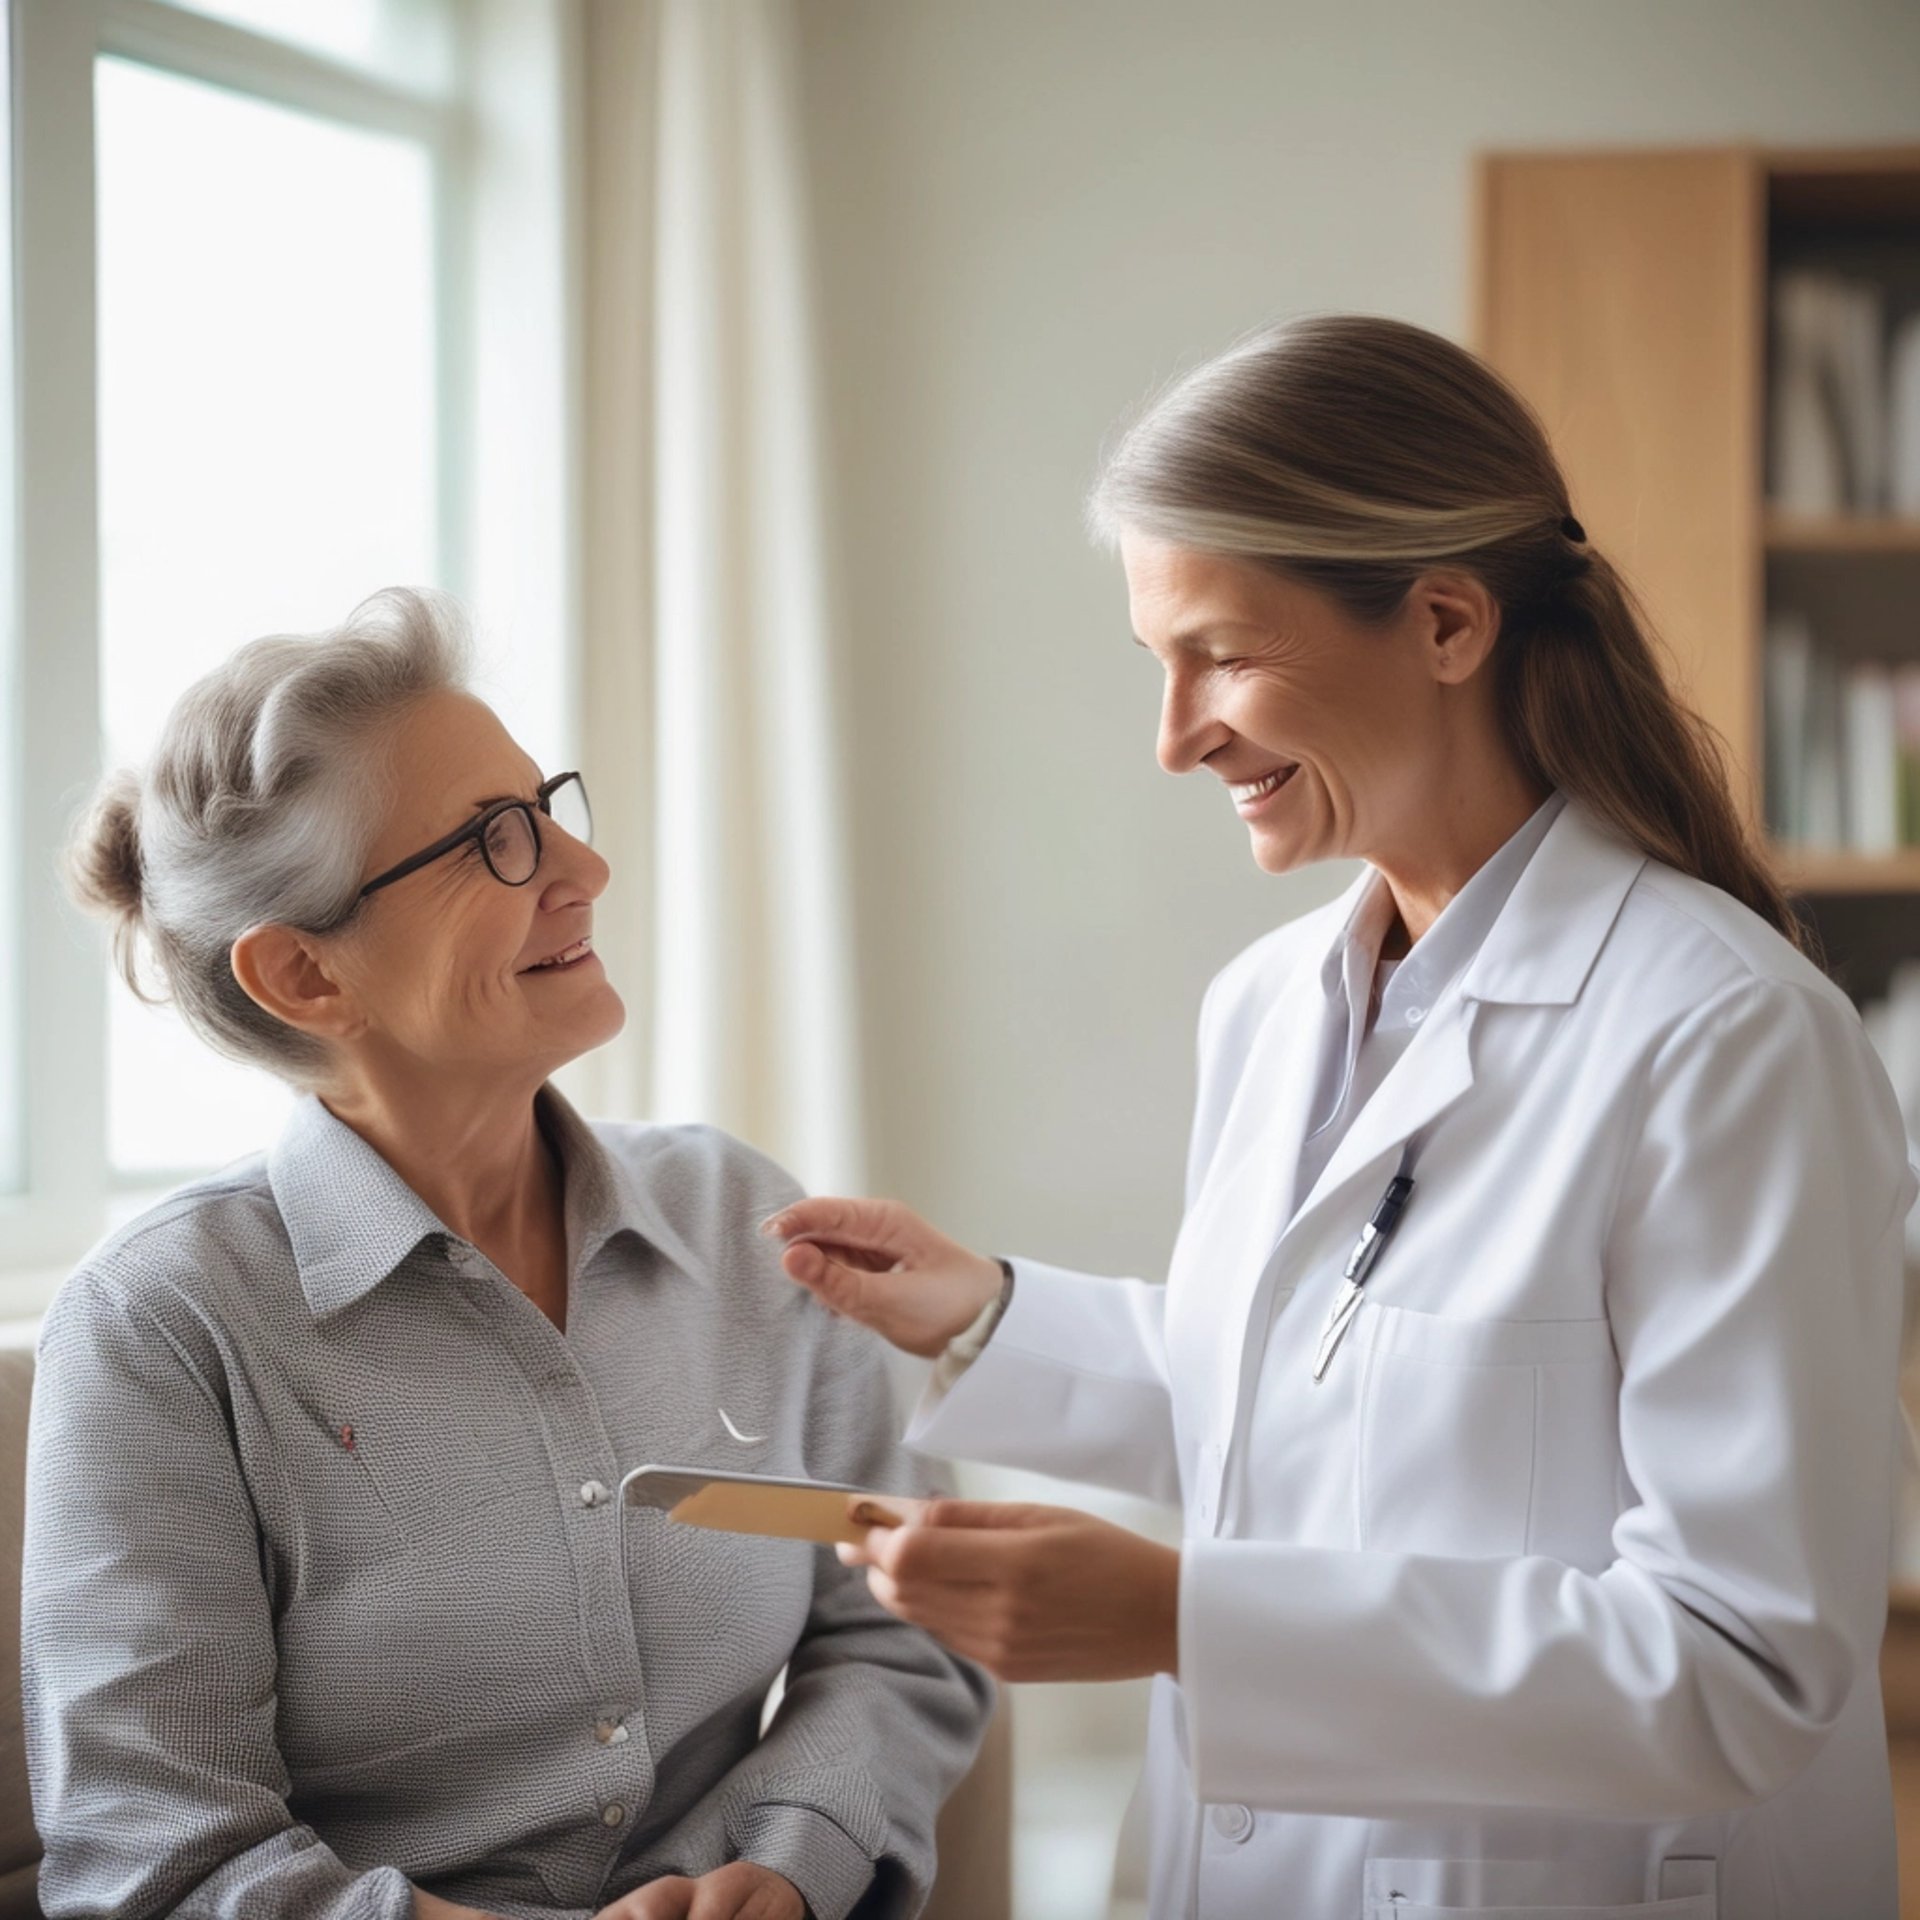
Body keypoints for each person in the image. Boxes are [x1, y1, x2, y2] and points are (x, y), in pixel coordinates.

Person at [764, 315, 1918, 1919]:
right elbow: (1322, 1405)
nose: (1176, 737)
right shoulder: (1269, 1005)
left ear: (1446, 622)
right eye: (1159, 664)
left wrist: (1183, 1623)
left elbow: (1744, 1663)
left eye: (1223, 656)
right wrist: (985, 1315)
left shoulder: (1728, 1038)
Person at [29, 588, 991, 1920]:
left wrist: (790, 1861)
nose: (583, 869)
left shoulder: (737, 1219)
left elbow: (903, 1615)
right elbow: (157, 1851)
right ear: (306, 976)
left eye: (546, 807)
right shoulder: (163, 1327)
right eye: (494, 840)